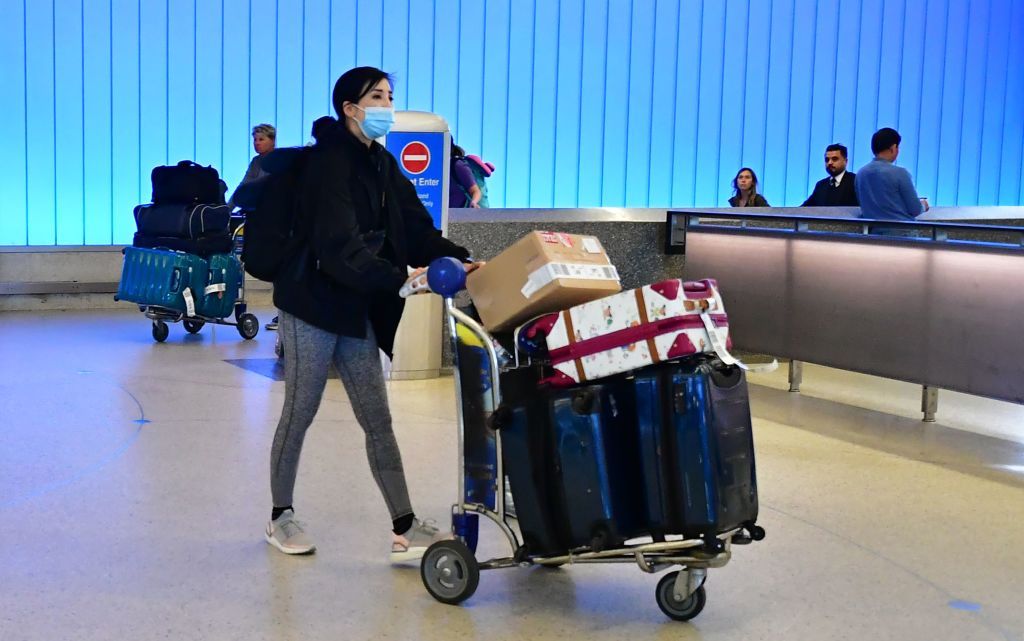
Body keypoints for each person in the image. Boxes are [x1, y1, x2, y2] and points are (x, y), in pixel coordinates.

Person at [264, 66, 482, 562]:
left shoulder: (380, 164)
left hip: (354, 306)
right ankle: (280, 517)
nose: (386, 105)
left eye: (389, 96)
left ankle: (405, 528)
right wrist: (397, 280)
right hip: (313, 306)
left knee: (377, 420)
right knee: (301, 412)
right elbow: (338, 247)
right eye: (376, 97)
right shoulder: (327, 165)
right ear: (350, 107)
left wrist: (458, 256)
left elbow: (416, 227)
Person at [855, 127, 930, 220]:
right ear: (893, 148)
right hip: (902, 231)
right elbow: (915, 209)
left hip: (872, 231)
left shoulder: (860, 174)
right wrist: (923, 205)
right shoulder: (900, 173)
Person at [449, 144, 483, 208]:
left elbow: (475, 191)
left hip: (458, 214)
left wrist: (473, 202)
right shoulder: (433, 169)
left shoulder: (457, 165)